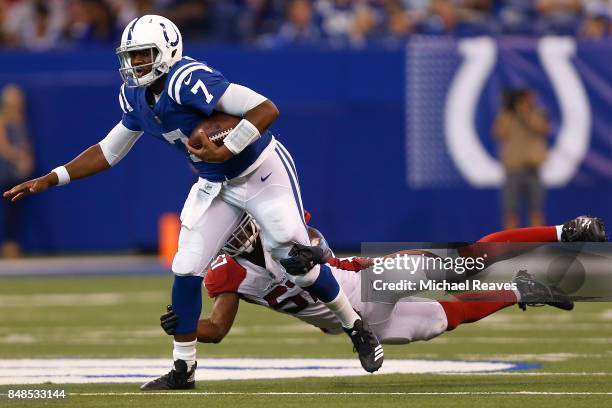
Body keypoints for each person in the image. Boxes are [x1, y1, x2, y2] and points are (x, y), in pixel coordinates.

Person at [2, 15, 382, 390]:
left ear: (167, 51)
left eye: (143, 55)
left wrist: (227, 146)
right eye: (131, 56)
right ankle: (183, 369)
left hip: (261, 170)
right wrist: (53, 177)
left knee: (296, 263)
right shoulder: (133, 95)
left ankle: (355, 327)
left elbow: (266, 109)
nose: (135, 64)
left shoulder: (189, 80)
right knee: (185, 266)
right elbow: (109, 150)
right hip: (216, 182)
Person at [159, 214, 606, 353]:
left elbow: (318, 246)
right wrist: (184, 326)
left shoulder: (280, 222)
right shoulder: (225, 273)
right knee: (438, 320)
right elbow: (215, 330)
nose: (237, 231)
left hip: (367, 283)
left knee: (468, 261)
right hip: (350, 324)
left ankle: (565, 233)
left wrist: (314, 252)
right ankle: (519, 290)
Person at [493, 88, 550, 230]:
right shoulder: (507, 115)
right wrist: (507, 110)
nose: (529, 101)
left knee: (535, 210)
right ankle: (511, 247)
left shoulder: (538, 113)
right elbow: (498, 133)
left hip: (533, 169)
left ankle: (537, 246)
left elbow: (542, 129)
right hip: (513, 169)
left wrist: (525, 113)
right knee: (511, 211)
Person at [0, 84, 34, 258]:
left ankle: (12, 245)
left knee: (16, 212)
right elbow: (3, 146)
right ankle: (6, 245)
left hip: (18, 172)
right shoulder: (2, 119)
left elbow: (25, 143)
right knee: (6, 210)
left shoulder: (20, 120)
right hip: (5, 171)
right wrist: (19, 157)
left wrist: (27, 160)